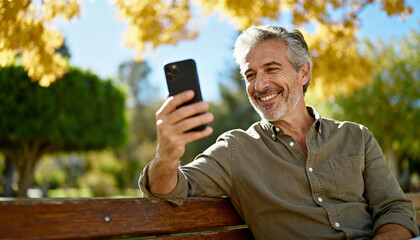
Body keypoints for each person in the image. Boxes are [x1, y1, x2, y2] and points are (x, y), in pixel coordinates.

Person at [139, 25, 419, 239]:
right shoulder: (235, 150)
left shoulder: (356, 136)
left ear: (303, 73)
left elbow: (395, 209)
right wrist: (166, 153)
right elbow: (168, 191)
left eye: (271, 69)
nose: (260, 85)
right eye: (250, 75)